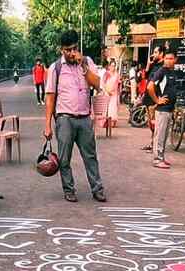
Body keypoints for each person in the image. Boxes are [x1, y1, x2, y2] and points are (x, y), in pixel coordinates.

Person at [43, 30, 107, 204]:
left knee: (90, 156)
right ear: (61, 50)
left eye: (74, 49)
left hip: (85, 118)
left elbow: (97, 84)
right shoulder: (55, 68)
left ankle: (97, 189)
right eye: (68, 50)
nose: (72, 53)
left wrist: (83, 67)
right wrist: (47, 125)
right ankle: (69, 190)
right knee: (64, 158)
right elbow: (50, 98)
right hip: (64, 119)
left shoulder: (87, 62)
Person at [146, 49, 179, 170]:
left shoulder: (172, 72)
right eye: (166, 58)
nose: (168, 61)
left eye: (171, 58)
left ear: (175, 60)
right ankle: (157, 159)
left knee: (164, 136)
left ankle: (161, 157)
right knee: (159, 135)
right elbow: (150, 87)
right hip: (162, 110)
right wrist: (157, 100)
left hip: (169, 109)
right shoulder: (161, 71)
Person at [140, 46, 165, 151]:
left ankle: (155, 145)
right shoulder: (154, 65)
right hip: (148, 97)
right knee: (150, 122)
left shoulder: (163, 67)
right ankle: (152, 143)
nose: (153, 54)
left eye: (155, 52)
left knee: (155, 122)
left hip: (155, 97)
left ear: (161, 54)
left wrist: (157, 99)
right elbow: (145, 77)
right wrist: (148, 65)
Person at [101, 59, 121, 129]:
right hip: (107, 93)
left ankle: (112, 121)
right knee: (107, 108)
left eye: (114, 66)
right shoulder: (107, 74)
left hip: (114, 93)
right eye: (112, 66)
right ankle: (105, 122)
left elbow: (118, 84)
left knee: (113, 108)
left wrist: (118, 92)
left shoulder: (117, 74)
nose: (113, 67)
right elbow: (103, 83)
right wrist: (106, 91)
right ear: (109, 66)